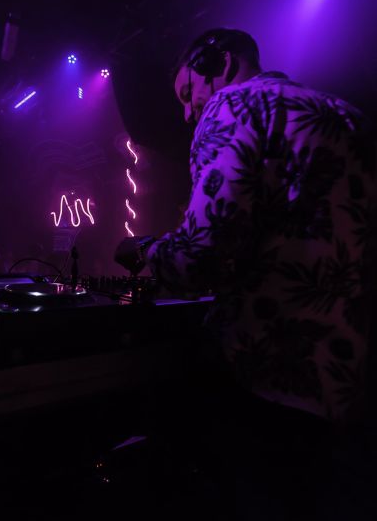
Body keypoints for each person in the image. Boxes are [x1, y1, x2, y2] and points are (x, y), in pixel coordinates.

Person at [115, 28, 377, 518]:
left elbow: (200, 257)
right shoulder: (348, 116)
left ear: (220, 63)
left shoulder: (236, 105)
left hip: (269, 382)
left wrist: (142, 250)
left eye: (188, 93)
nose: (188, 113)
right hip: (351, 387)